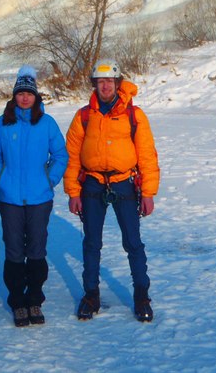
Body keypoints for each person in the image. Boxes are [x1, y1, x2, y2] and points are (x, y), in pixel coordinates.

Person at [64, 58, 160, 322]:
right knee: (91, 243)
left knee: (133, 242)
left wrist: (148, 193)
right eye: (100, 81)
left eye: (109, 81)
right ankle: (91, 295)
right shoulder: (84, 116)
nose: (105, 86)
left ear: (118, 83)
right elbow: (72, 156)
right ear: (94, 84)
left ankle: (142, 296)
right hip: (92, 183)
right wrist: (73, 192)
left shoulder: (134, 115)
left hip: (124, 183)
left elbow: (147, 156)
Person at [0, 65, 68, 327]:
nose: (24, 98)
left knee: (36, 249)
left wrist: (49, 179)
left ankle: (34, 299)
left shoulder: (47, 123)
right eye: (20, 93)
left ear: (35, 96)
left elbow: (60, 155)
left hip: (39, 199)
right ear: (14, 96)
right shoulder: (3, 123)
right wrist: (1, 180)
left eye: (29, 93)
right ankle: (17, 301)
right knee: (13, 250)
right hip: (10, 199)